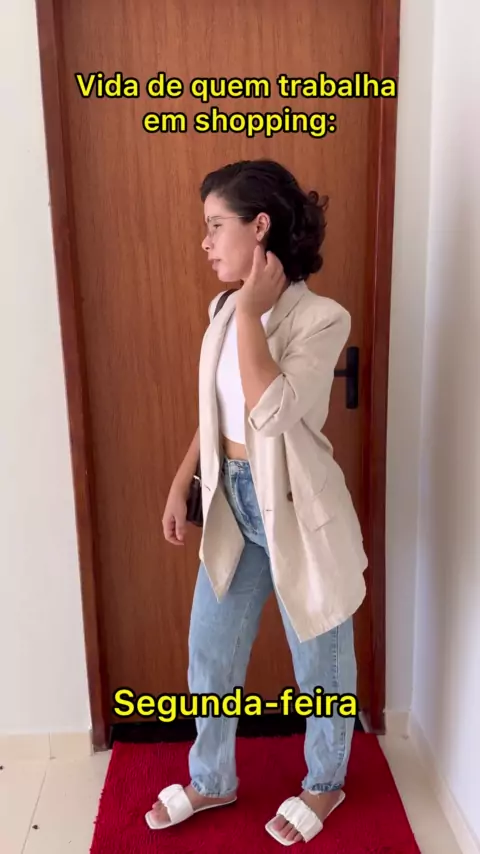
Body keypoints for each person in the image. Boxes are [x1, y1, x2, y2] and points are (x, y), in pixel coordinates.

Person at [145, 159, 368, 845]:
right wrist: (184, 481)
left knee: (321, 663)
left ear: (259, 226)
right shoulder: (220, 309)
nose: (206, 242)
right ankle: (212, 778)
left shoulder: (321, 317)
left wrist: (249, 310)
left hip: (299, 512)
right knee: (210, 651)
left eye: (216, 226)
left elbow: (269, 410)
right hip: (232, 503)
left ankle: (325, 783)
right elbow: (215, 410)